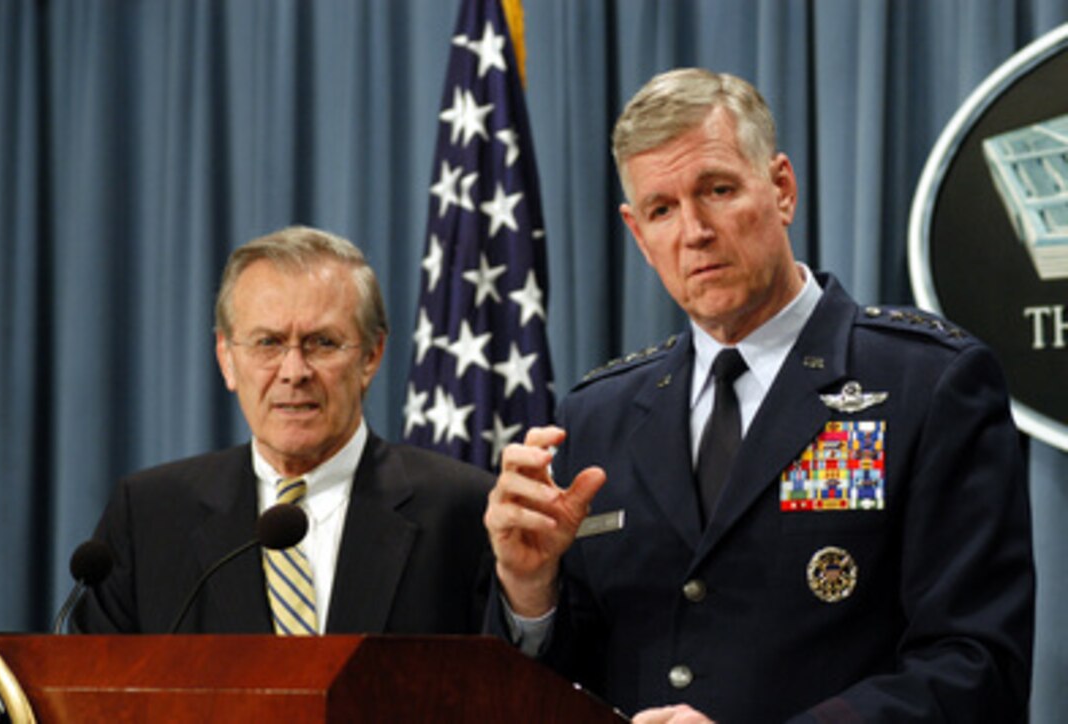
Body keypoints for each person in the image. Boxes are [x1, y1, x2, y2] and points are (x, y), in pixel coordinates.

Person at [483, 68, 1034, 722]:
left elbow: (977, 667)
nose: (695, 231)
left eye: (716, 190)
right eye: (662, 209)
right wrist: (528, 591)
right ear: (638, 233)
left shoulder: (927, 383)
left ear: (781, 189)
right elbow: (552, 682)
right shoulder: (597, 417)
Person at [75, 226, 493, 635]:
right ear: (226, 358)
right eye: (268, 343)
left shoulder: (463, 510)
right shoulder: (150, 517)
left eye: (323, 343)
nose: (294, 372)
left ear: (371, 356)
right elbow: (91, 691)